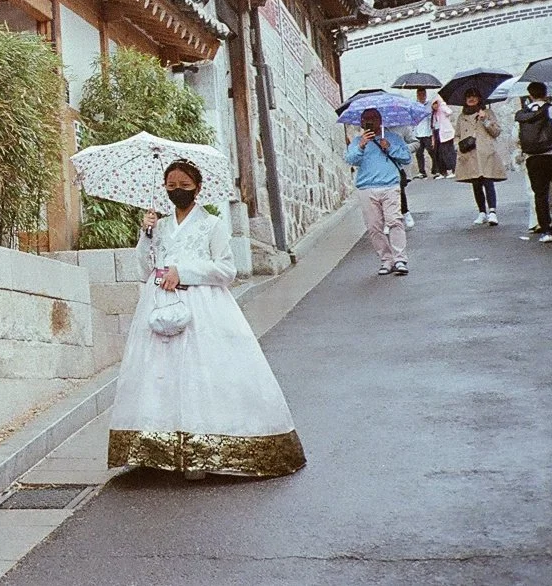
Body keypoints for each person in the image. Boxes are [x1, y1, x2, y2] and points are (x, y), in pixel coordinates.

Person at [108, 160, 306, 480]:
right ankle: (159, 450)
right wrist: (145, 236)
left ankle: (202, 451)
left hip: (204, 307)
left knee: (201, 374)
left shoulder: (212, 224)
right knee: (161, 376)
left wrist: (183, 272)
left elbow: (227, 270)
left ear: (198, 188)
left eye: (184, 186)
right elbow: (145, 271)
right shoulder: (157, 226)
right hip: (160, 304)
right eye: (171, 186)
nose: (177, 191)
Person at [345, 107, 412, 275]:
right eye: (366, 119)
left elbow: (406, 157)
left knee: (395, 221)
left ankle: (400, 259)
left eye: (374, 118)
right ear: (361, 123)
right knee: (374, 227)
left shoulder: (393, 138)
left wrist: (389, 147)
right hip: (367, 187)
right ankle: (386, 260)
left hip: (390, 185)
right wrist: (361, 145)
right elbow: (350, 159)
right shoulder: (357, 141)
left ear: (380, 121)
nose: (370, 122)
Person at [516, 81, 552, 243]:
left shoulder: (523, 113)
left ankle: (546, 230)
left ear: (530, 95)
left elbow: (516, 137)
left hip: (533, 158)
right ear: (546, 93)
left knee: (540, 194)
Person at [454, 88, 506, 225]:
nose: (471, 99)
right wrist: (458, 147)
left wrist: (485, 120)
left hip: (485, 153)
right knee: (476, 184)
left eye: (474, 96)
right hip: (469, 154)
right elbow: (457, 134)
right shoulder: (461, 116)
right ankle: (482, 212)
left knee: (488, 182)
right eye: (468, 97)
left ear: (479, 98)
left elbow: (496, 131)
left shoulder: (487, 112)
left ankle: (493, 212)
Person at [412, 87, 438, 178]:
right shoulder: (413, 105)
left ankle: (436, 169)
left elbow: (433, 116)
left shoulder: (430, 105)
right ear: (417, 95)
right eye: (419, 94)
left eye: (423, 94)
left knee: (431, 151)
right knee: (419, 153)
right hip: (417, 133)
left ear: (425, 95)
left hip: (427, 132)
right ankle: (422, 172)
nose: (421, 96)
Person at [432, 95, 457, 178]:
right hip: (437, 133)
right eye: (433, 104)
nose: (435, 106)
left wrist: (442, 104)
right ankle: (443, 172)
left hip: (446, 133)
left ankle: (454, 170)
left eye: (436, 103)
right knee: (439, 153)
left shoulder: (442, 109)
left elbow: (449, 112)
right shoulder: (434, 113)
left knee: (449, 152)